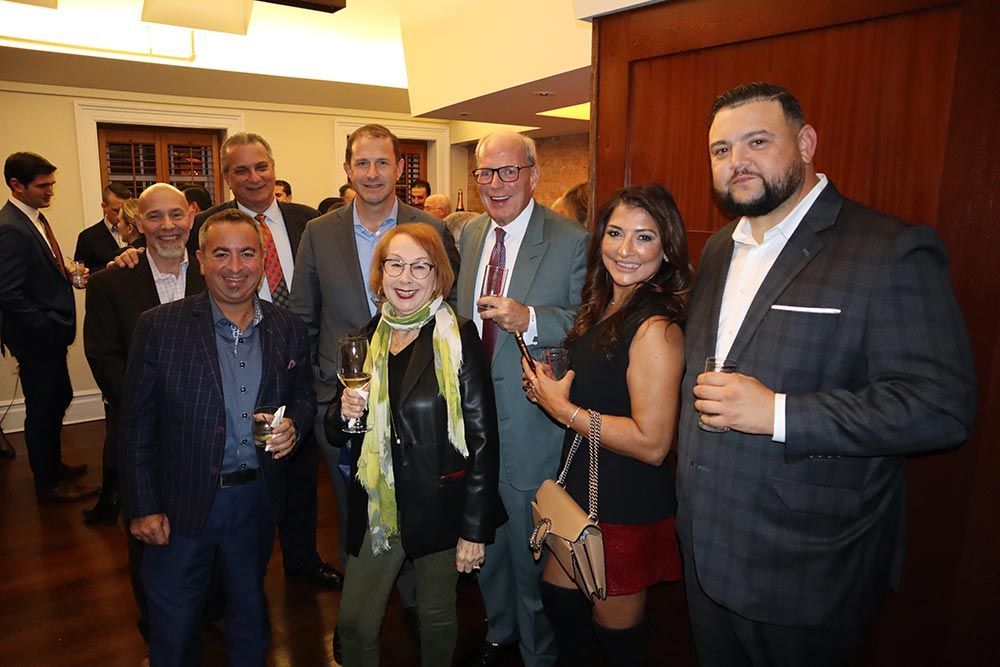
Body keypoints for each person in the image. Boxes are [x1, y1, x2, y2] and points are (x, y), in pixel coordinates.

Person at [677, 82, 977, 666]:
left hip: (806, 568)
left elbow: (940, 407)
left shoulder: (886, 249)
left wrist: (780, 413)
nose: (736, 161)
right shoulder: (716, 248)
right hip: (705, 545)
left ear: (807, 142)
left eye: (757, 141)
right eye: (720, 150)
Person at [119, 209, 316, 666]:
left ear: (262, 258)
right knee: (174, 619)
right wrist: (144, 505)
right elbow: (135, 423)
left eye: (247, 253)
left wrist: (295, 427)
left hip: (254, 500)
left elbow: (304, 396)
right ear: (200, 260)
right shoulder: (160, 326)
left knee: (250, 610)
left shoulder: (286, 326)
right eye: (221, 254)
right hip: (180, 501)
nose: (234, 267)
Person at [289, 123, 459, 647]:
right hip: (346, 408)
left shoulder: (430, 228)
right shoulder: (319, 231)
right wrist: (319, 395)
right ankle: (363, 611)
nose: (372, 173)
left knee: (416, 506)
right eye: (361, 163)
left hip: (419, 407)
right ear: (347, 169)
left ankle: (410, 604)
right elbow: (303, 314)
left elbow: (449, 309)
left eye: (382, 163)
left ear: (399, 168)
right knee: (358, 513)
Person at [522, 184, 690, 665]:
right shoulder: (606, 303)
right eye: (615, 233)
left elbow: (653, 443)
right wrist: (555, 388)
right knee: (558, 599)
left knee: (617, 639)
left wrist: (564, 411)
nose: (624, 249)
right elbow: (605, 385)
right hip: (582, 483)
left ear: (667, 248)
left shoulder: (656, 327)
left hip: (624, 500)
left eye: (644, 237)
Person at [325, 223, 504, 666]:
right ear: (380, 274)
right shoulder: (366, 337)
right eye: (396, 265)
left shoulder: (459, 336)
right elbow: (334, 429)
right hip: (377, 502)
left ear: (438, 275)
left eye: (420, 266)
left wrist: (474, 530)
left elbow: (483, 440)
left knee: (436, 612)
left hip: (440, 501)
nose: (406, 278)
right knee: (354, 623)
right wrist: (345, 412)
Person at [181, 132, 339, 590]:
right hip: (238, 367)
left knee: (301, 474)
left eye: (261, 166)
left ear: (274, 167)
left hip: (302, 367)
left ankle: (303, 559)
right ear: (227, 177)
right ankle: (236, 575)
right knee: (242, 476)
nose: (254, 177)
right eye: (241, 170)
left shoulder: (307, 221)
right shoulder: (206, 225)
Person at [456, 131, 588, 667]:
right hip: (472, 418)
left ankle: (538, 653)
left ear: (533, 174)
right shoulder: (468, 235)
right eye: (486, 173)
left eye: (508, 172)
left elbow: (586, 321)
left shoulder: (570, 238)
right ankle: (499, 631)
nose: (496, 184)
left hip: (533, 422)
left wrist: (529, 318)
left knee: (532, 552)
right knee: (484, 537)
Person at [84, 184, 205, 646]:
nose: (168, 226)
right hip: (142, 435)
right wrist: (155, 409)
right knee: (148, 540)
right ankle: (155, 629)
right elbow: (104, 358)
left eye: (177, 215)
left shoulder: (216, 268)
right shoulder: (112, 280)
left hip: (205, 432)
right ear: (138, 224)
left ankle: (203, 611)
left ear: (191, 216)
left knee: (203, 526)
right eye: (155, 217)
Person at [0, 152, 95, 503]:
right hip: (38, 337)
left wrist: (68, 274)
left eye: (52, 183)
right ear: (16, 185)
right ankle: (48, 483)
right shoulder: (10, 227)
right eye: (43, 185)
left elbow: (36, 274)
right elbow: (7, 292)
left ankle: (53, 465)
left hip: (49, 334)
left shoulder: (32, 218)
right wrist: (45, 327)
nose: (50, 191)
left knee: (58, 399)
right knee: (43, 409)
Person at [74, 183, 132, 271]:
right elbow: (82, 275)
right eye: (116, 210)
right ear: (104, 207)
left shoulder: (140, 231)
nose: (121, 215)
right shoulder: (87, 237)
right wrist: (108, 268)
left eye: (125, 210)